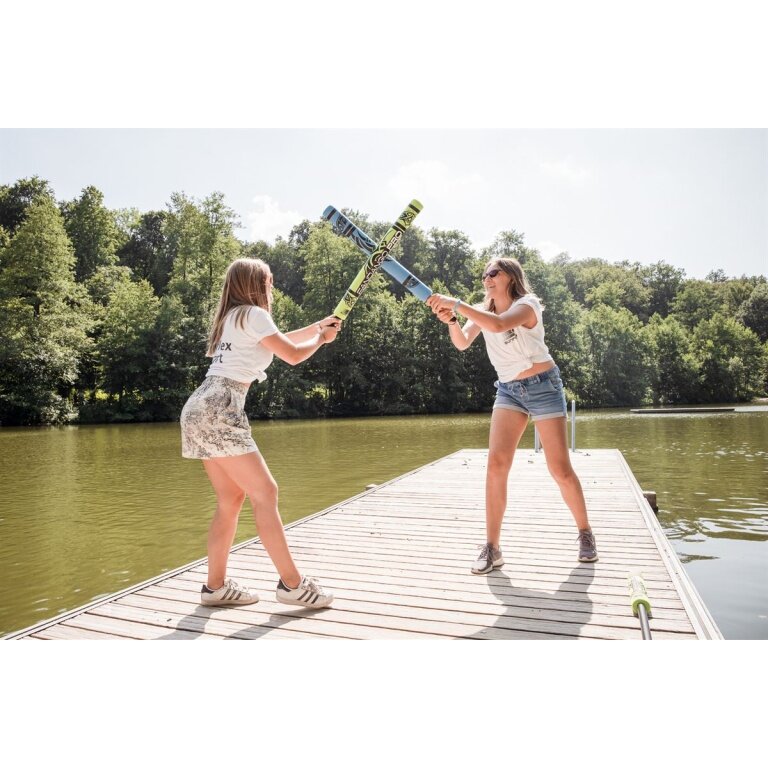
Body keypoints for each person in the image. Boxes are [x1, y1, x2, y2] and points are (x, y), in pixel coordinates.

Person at [180, 257, 340, 609]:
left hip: (199, 407)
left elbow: (279, 341)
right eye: (269, 279)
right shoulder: (254, 314)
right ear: (255, 284)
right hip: (221, 406)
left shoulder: (232, 317)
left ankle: (215, 588)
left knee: (230, 500)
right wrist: (321, 339)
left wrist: (318, 328)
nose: (273, 284)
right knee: (266, 492)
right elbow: (292, 355)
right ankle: (292, 585)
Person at [425, 257, 598, 574]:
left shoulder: (527, 305)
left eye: (494, 272)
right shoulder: (483, 310)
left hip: (543, 385)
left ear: (511, 277)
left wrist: (456, 304)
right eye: (484, 274)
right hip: (508, 390)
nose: (487, 278)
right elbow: (462, 343)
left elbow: (499, 325)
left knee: (560, 469)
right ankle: (492, 548)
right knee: (496, 465)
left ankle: (585, 533)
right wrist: (452, 320)